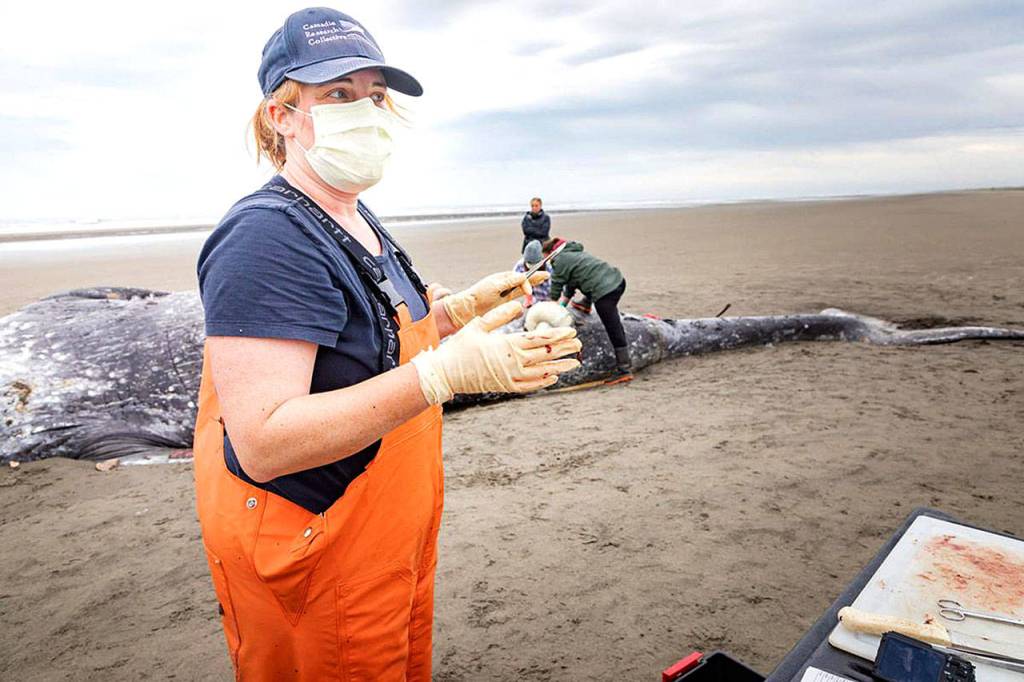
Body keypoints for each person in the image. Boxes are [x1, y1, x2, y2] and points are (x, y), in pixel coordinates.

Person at [192, 8, 581, 680]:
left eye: (373, 95)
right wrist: (440, 377)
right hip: (315, 547)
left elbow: (367, 340)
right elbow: (262, 440)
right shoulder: (265, 239)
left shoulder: (350, 211)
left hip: (390, 542)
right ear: (282, 115)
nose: (365, 110)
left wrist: (459, 311)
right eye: (337, 93)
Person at [543, 237, 633, 384]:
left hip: (605, 292)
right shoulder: (572, 253)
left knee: (613, 327)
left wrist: (551, 307)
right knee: (588, 278)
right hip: (617, 280)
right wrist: (562, 307)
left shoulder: (559, 260)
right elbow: (572, 282)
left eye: (545, 257)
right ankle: (586, 303)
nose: (546, 261)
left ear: (549, 253)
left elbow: (556, 285)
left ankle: (624, 369)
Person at [513, 239, 552, 306]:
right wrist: (528, 297)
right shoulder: (519, 266)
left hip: (547, 300)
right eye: (529, 264)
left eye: (534, 265)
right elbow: (515, 282)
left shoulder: (549, 268)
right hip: (532, 298)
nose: (531, 269)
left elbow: (554, 290)